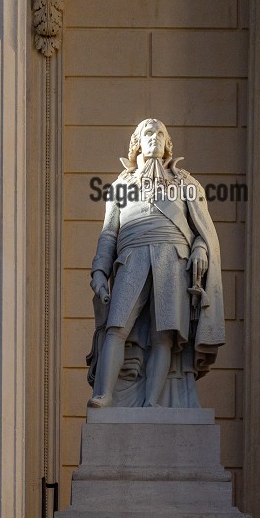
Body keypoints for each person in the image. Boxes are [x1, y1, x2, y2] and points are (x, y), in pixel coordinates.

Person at [86, 118, 224, 408]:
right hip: (131, 256)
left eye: (161, 133)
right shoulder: (121, 186)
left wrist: (200, 249)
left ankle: (153, 402)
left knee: (165, 334)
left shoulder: (185, 182)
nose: (155, 137)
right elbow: (108, 233)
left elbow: (203, 231)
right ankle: (105, 394)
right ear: (138, 142)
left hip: (173, 258)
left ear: (167, 144)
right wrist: (99, 271)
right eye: (149, 132)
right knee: (116, 326)